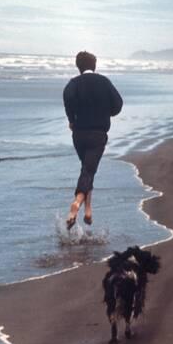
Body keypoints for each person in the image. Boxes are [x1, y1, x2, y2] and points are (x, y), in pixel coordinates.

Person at [63, 51, 123, 230]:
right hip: (98, 134)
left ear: (78, 66)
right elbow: (118, 105)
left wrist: (72, 120)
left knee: (87, 170)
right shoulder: (104, 82)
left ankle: (88, 210)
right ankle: (77, 203)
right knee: (89, 170)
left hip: (79, 134)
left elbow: (67, 100)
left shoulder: (73, 84)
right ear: (94, 66)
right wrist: (105, 112)